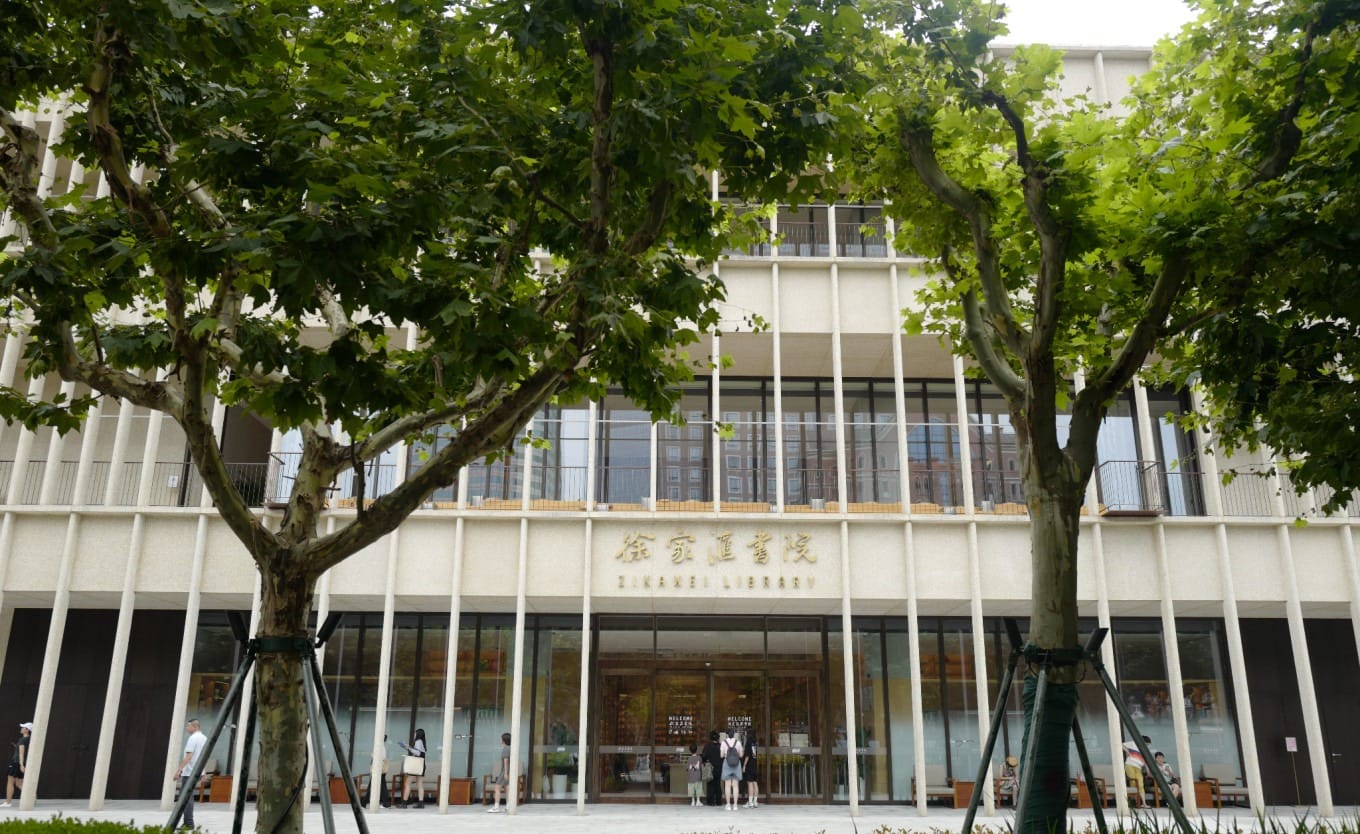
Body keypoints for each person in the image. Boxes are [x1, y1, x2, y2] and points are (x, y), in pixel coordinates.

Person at [175, 719, 207, 828]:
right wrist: (203, 772)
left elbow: (188, 756)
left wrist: (179, 770)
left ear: (194, 727)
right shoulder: (204, 738)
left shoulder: (193, 738)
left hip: (189, 772)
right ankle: (188, 822)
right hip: (197, 772)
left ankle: (188, 823)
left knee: (185, 798)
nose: (187, 728)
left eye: (188, 726)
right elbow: (204, 757)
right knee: (188, 797)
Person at [3, 722, 32, 808]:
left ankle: (8, 802)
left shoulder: (22, 740)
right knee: (19, 783)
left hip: (16, 763)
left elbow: (21, 754)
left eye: (23, 727)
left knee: (10, 781)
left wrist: (21, 765)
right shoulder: (30, 739)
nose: (21, 728)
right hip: (21, 763)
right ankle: (31, 797)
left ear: (27, 730)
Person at [398, 728, 426, 808]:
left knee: (407, 783)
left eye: (415, 733)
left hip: (415, 765)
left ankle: (404, 803)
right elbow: (420, 752)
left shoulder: (418, 741)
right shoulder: (422, 742)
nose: (414, 735)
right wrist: (408, 747)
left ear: (418, 734)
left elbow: (417, 753)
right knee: (420, 784)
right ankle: (421, 803)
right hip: (421, 765)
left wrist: (407, 747)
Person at [719, 728, 743, 811]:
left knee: (727, 785)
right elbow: (741, 755)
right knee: (735, 785)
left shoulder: (723, 743)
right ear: (734, 734)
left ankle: (728, 805)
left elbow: (721, 756)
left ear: (727, 734)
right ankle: (735, 805)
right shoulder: (738, 743)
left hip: (727, 763)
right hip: (736, 764)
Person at [1123, 735, 1150, 808]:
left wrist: (1147, 770)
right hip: (1130, 765)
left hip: (1138, 767)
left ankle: (1144, 804)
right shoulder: (1133, 743)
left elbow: (1145, 761)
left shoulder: (1144, 750)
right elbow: (1121, 744)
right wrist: (1127, 751)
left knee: (1140, 784)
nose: (1147, 746)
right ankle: (1136, 802)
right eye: (1147, 744)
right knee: (1133, 783)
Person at [487, 732, 511, 813]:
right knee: (507, 788)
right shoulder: (510, 748)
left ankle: (496, 807)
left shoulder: (506, 748)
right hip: (508, 772)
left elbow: (506, 761)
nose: (501, 740)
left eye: (501, 739)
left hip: (504, 772)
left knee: (497, 788)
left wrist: (505, 773)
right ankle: (508, 806)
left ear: (504, 740)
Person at [701, 731, 722, 807]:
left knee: (710, 784)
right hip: (719, 767)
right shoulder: (720, 746)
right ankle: (719, 801)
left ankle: (711, 801)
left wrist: (704, 762)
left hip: (710, 767)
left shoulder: (707, 746)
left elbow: (703, 756)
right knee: (718, 784)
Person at [741, 732, 759, 808]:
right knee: (755, 782)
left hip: (749, 765)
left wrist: (744, 765)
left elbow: (747, 756)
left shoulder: (749, 742)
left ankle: (750, 802)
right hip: (754, 765)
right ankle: (755, 801)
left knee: (750, 783)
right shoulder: (754, 743)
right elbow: (754, 755)